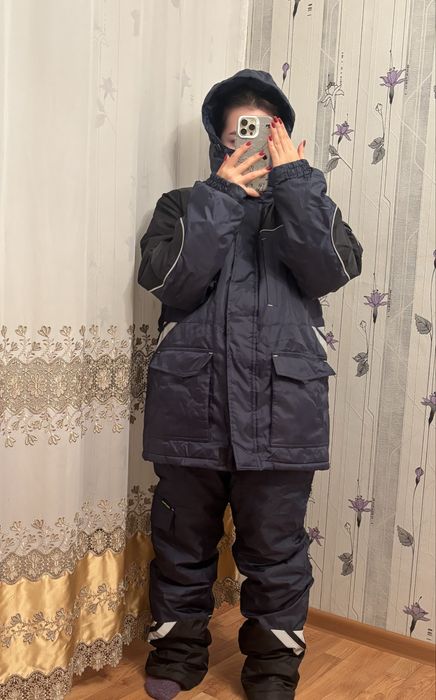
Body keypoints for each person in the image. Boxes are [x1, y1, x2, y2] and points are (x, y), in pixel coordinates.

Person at [137, 68, 363, 700]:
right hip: (192, 406)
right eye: (241, 123)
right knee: (181, 542)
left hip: (283, 409)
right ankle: (177, 652)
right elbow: (171, 283)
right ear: (220, 135)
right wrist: (218, 196)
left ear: (280, 133)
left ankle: (272, 667)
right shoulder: (184, 204)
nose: (252, 134)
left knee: (276, 550)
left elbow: (331, 270)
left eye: (265, 124)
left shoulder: (306, 200)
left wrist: (296, 185)